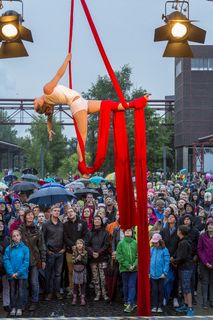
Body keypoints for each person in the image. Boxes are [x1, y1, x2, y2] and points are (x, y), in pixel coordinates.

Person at [33, 54, 149, 170]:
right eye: (35, 104)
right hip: (77, 105)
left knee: (107, 105)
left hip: (82, 101)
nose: (34, 100)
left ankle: (133, 104)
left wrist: (49, 129)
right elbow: (59, 74)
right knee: (82, 138)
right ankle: (82, 167)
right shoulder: (46, 89)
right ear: (41, 103)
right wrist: (66, 60)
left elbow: (49, 117)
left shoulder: (49, 102)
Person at [3, 230, 30, 317]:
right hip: (11, 274)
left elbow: (26, 262)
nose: (16, 237)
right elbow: (6, 260)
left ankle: (19, 307)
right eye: (14, 236)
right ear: (12, 238)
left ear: (20, 236)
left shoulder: (25, 248)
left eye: (17, 235)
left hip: (21, 274)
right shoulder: (9, 248)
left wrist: (18, 273)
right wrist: (11, 272)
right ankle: (13, 307)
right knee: (12, 291)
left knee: (21, 291)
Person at [170, 225, 194, 316]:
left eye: (178, 230)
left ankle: (190, 308)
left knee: (187, 288)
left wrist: (173, 260)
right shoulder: (183, 241)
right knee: (184, 288)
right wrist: (175, 258)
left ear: (180, 232)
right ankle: (186, 304)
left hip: (186, 268)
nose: (177, 231)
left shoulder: (183, 242)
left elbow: (182, 257)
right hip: (183, 268)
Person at [116, 228, 137, 313]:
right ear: (124, 233)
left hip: (134, 269)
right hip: (124, 268)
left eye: (129, 230)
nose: (128, 232)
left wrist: (134, 265)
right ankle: (126, 300)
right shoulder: (120, 243)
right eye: (126, 230)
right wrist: (128, 265)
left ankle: (130, 303)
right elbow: (119, 256)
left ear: (132, 233)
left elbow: (138, 255)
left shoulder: (135, 243)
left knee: (131, 285)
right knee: (125, 285)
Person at [150, 233, 170, 313]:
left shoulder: (164, 250)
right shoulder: (151, 249)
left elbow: (167, 261)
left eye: (156, 242)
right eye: (154, 243)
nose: (155, 244)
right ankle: (155, 305)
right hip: (152, 274)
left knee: (160, 290)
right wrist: (149, 272)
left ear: (160, 241)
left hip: (161, 275)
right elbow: (149, 261)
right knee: (154, 290)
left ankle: (160, 305)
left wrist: (164, 272)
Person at [197, 217, 213, 309]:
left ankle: (211, 300)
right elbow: (200, 250)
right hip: (204, 264)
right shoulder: (202, 236)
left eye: (212, 225)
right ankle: (204, 302)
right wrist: (205, 262)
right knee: (205, 282)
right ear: (206, 226)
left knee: (212, 282)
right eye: (209, 225)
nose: (210, 226)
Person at [71, 239, 88, 306]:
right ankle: (74, 298)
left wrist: (81, 258)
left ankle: (82, 298)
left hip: (83, 269)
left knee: (82, 284)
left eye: (81, 243)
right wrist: (76, 259)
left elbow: (86, 262)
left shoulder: (85, 252)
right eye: (78, 243)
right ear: (76, 245)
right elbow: (73, 261)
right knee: (75, 284)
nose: (79, 245)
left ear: (83, 245)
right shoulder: (74, 252)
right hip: (75, 269)